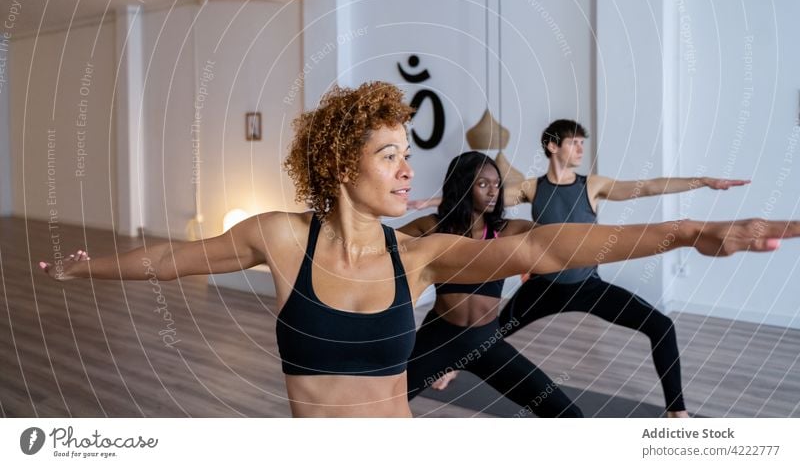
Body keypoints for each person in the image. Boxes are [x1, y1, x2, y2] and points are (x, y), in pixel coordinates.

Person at [39, 84, 794, 418]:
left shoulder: (422, 255)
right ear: (340, 165)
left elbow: (551, 243)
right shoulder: (276, 237)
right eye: (390, 155)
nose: (408, 170)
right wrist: (85, 266)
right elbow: (166, 260)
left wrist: (690, 231)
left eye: (409, 154)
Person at [498, 119, 750, 417]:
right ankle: (449, 369)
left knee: (662, 327)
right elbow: (486, 200)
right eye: (573, 142)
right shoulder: (531, 188)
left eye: (582, 143)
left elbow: (648, 187)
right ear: (553, 146)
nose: (581, 149)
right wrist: (439, 201)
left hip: (587, 286)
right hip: (543, 288)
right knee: (487, 336)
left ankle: (676, 411)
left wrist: (704, 180)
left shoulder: (591, 185)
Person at [400, 152, 582, 417]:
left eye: (497, 184)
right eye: (483, 184)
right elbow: (379, 245)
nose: (493, 191)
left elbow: (556, 238)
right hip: (437, 339)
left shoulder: (507, 231)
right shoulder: (433, 227)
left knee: (568, 414)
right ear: (462, 185)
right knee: (371, 412)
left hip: (486, 342)